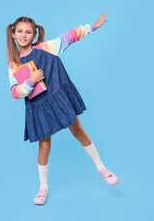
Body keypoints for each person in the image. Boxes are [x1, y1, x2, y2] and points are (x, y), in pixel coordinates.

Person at [6, 12, 118, 205]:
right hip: (39, 106)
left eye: (28, 32)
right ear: (14, 34)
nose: (24, 35)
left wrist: (93, 26)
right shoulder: (14, 64)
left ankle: (102, 168)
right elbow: (15, 92)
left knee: (78, 130)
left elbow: (69, 37)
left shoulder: (46, 47)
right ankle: (43, 188)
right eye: (20, 31)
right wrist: (30, 83)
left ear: (34, 35)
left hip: (59, 97)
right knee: (44, 145)